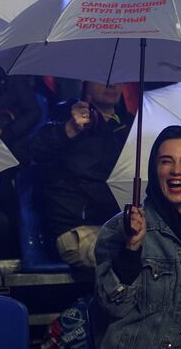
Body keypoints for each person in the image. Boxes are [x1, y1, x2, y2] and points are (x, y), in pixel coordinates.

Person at [94, 126, 181, 348]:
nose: (176, 170)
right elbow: (110, 307)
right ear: (154, 170)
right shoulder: (119, 228)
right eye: (166, 161)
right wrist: (131, 248)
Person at [29, 81, 133, 269]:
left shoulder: (131, 124)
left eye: (118, 78)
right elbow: (35, 152)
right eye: (104, 78)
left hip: (118, 226)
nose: (112, 84)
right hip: (76, 229)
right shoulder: (65, 114)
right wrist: (69, 129)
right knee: (127, 258)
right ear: (86, 81)